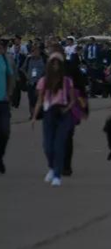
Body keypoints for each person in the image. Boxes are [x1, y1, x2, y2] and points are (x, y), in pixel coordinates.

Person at [30, 53, 76, 187]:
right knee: (48, 146)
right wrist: (34, 117)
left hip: (62, 113)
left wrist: (66, 109)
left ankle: (57, 175)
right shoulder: (44, 81)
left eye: (58, 63)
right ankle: (51, 167)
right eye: (53, 63)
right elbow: (39, 100)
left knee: (59, 145)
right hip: (49, 113)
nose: (55, 66)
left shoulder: (67, 81)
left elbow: (72, 100)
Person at [0, 40, 17, 174]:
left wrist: (10, 94)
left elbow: (11, 77)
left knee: (5, 132)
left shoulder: (6, 59)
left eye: (3, 46)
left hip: (4, 102)